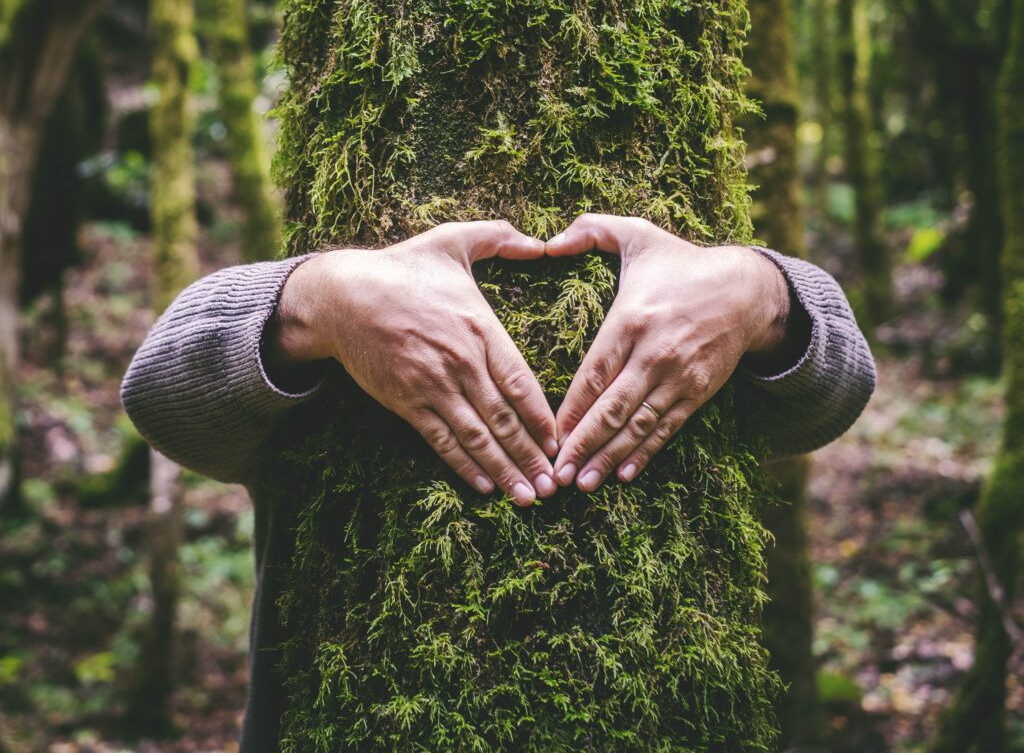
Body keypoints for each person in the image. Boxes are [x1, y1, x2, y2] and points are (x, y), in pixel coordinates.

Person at [121, 212, 876, 749]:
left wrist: (760, 292)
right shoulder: (327, 353)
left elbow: (838, 391)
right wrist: (319, 301)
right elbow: (157, 391)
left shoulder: (698, 333)